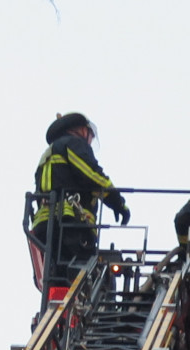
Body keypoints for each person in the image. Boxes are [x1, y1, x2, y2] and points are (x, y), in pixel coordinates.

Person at [31, 112, 129, 288]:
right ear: (81, 130)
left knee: (59, 279)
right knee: (86, 277)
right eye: (90, 135)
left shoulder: (48, 153)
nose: (90, 141)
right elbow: (91, 175)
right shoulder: (73, 144)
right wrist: (117, 202)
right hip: (69, 222)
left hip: (44, 226)